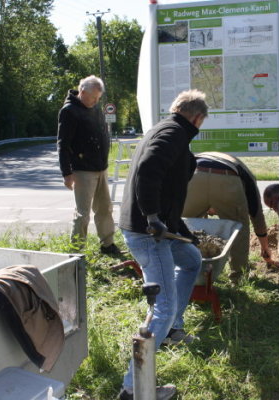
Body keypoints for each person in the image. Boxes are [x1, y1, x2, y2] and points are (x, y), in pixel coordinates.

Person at [117, 89, 209, 400]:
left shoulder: (166, 129)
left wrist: (182, 230)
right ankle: (133, 388)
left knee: (192, 260)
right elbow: (148, 170)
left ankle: (170, 330)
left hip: (161, 229)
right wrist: (152, 217)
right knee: (164, 306)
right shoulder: (173, 133)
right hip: (149, 233)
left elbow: (168, 191)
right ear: (198, 118)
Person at [182, 151, 276, 282]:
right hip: (227, 178)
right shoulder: (246, 174)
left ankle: (183, 271)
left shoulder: (195, 158)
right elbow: (256, 212)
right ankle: (238, 276)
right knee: (239, 228)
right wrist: (265, 247)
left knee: (183, 226)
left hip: (195, 175)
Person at [57, 75, 122, 255]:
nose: (96, 101)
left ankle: (107, 244)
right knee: (83, 214)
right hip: (82, 170)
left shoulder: (95, 108)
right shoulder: (69, 111)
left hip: (101, 167)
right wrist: (66, 173)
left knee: (105, 208)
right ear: (82, 91)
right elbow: (63, 144)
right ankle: (76, 252)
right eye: (93, 97)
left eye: (98, 98)